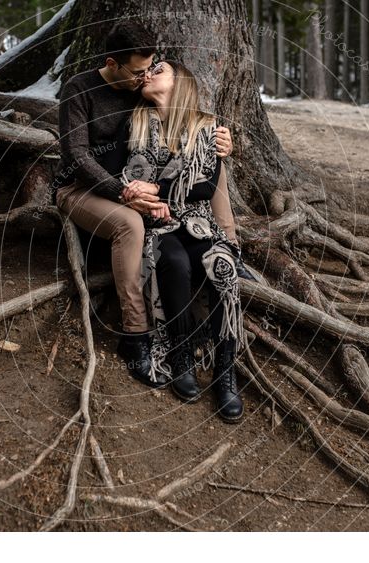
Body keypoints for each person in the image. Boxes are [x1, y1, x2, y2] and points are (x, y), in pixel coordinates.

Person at [54, 22, 246, 390]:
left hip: (134, 191)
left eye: (153, 67)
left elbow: (184, 128)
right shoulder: (80, 89)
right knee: (131, 224)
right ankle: (136, 336)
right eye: (141, 71)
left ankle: (230, 246)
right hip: (81, 189)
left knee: (202, 168)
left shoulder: (138, 91)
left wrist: (220, 140)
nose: (147, 76)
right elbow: (76, 155)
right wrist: (127, 192)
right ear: (113, 63)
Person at [117, 60, 246, 423]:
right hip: (156, 224)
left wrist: (157, 188)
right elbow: (130, 175)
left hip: (200, 223)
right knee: (173, 261)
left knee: (222, 267)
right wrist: (148, 200)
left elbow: (205, 184)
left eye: (159, 69)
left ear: (180, 83)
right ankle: (180, 354)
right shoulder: (138, 123)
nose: (149, 74)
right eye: (148, 69)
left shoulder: (208, 127)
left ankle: (225, 371)